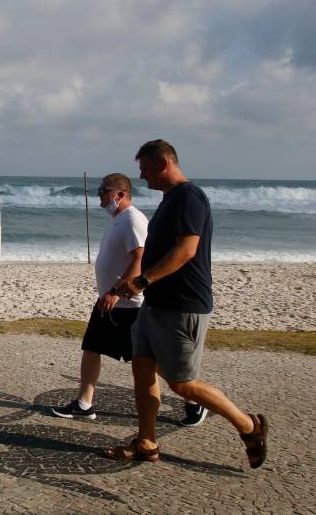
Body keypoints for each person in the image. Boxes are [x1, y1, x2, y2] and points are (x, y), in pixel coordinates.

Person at [105, 139, 268, 468]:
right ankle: (147, 442)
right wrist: (137, 284)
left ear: (164, 164)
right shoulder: (169, 199)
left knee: (182, 383)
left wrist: (142, 280)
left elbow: (186, 251)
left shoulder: (189, 197)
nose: (143, 178)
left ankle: (249, 426)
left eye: (146, 170)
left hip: (183, 306)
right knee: (143, 370)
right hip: (155, 305)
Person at [51, 173, 148, 420]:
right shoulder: (119, 219)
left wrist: (116, 292)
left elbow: (140, 259)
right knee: (92, 347)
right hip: (110, 302)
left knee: (149, 360)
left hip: (128, 305)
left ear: (120, 194)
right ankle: (84, 404)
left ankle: (192, 399)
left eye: (104, 191)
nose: (100, 196)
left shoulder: (132, 219)